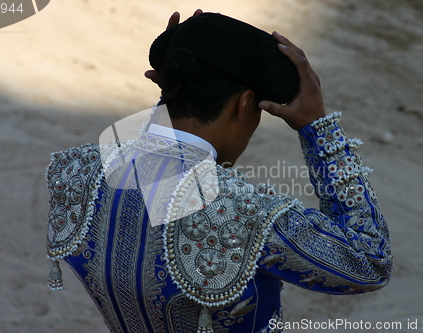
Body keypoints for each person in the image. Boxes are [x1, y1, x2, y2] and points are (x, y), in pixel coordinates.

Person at [46, 11, 392, 333]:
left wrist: (175, 87)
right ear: (245, 104)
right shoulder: (246, 214)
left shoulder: (75, 171)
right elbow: (369, 260)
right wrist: (320, 129)